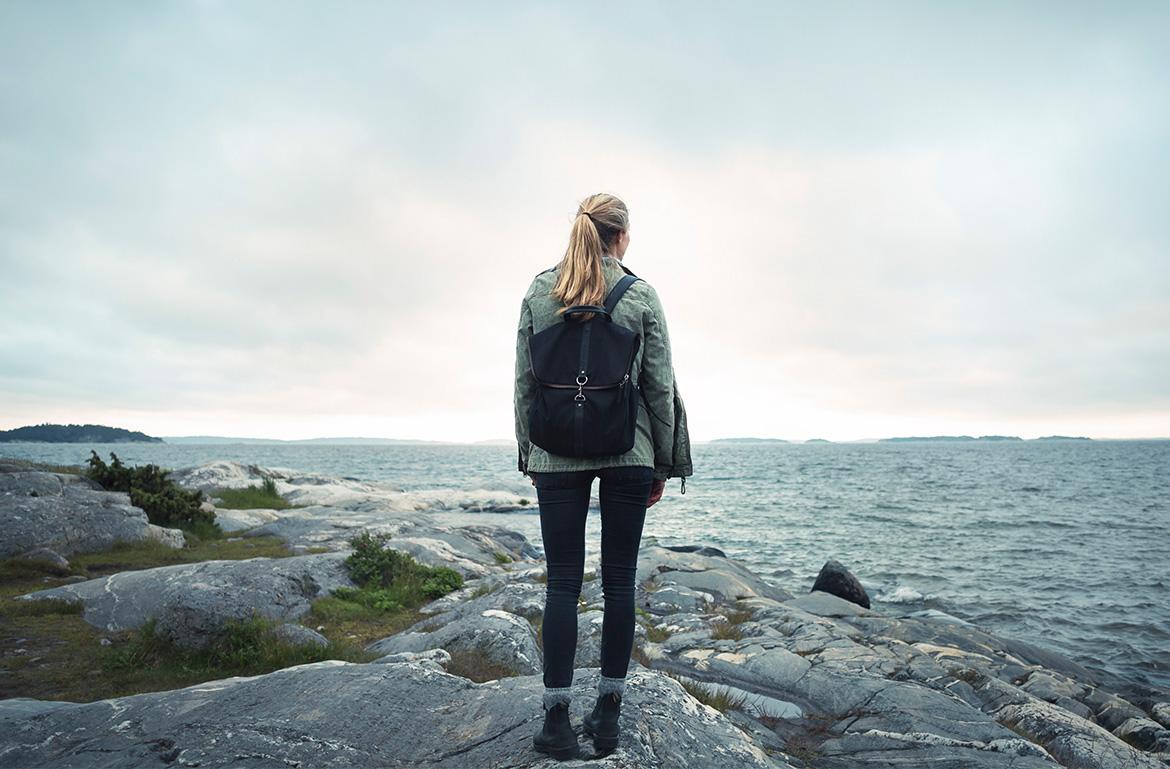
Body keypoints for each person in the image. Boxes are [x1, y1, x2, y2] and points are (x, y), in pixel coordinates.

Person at [514, 192, 693, 758]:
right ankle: (609, 718)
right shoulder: (640, 295)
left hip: (555, 457)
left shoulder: (539, 292)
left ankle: (556, 722)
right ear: (621, 237)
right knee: (618, 583)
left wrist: (529, 454)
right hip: (629, 452)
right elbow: (659, 388)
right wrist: (664, 461)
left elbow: (524, 382)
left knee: (562, 583)